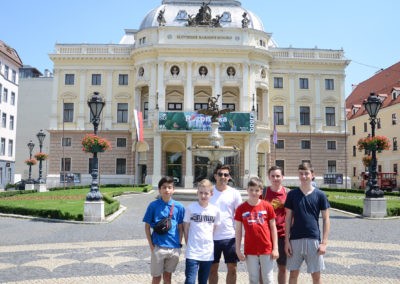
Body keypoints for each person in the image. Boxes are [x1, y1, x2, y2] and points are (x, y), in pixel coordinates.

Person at [284, 163, 330, 284]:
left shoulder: (320, 195)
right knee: (293, 274)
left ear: (312, 175)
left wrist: (324, 243)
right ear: (298, 175)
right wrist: (286, 241)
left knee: (316, 275)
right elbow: (288, 219)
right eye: (301, 173)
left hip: (313, 239)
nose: (304, 176)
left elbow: (326, 219)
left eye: (306, 173)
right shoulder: (292, 194)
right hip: (295, 240)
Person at [235, 177, 279, 284]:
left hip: (266, 248)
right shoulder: (241, 208)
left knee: (268, 278)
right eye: (251, 190)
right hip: (250, 249)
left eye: (256, 190)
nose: (254, 193)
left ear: (261, 191)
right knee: (253, 278)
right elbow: (238, 231)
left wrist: (275, 248)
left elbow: (273, 228)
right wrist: (237, 249)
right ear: (247, 190)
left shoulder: (267, 206)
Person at [143, 176, 185, 284]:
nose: (167, 190)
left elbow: (181, 227)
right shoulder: (153, 206)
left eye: (169, 187)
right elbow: (147, 227)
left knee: (168, 277)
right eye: (164, 187)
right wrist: (151, 246)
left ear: (173, 190)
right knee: (156, 278)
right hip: (158, 247)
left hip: (173, 248)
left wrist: (179, 244)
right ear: (159, 189)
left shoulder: (179, 207)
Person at [209, 164, 242, 284]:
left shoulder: (235, 193)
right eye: (220, 174)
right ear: (215, 176)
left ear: (229, 177)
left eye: (226, 174)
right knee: (212, 269)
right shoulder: (209, 192)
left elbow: (239, 216)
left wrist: (239, 236)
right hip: (211, 237)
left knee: (232, 269)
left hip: (230, 236)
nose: (223, 177)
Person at [183, 179, 221, 284]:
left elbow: (214, 228)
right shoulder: (190, 208)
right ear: (197, 193)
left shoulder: (215, 210)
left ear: (211, 194)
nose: (203, 196)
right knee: (190, 281)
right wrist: (188, 243)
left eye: (206, 193)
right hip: (192, 252)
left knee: (203, 281)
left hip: (207, 252)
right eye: (201, 193)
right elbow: (186, 228)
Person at [260, 166, 289, 284]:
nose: (275, 178)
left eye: (278, 176)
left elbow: (291, 215)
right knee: (263, 267)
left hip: (282, 234)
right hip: (265, 235)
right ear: (268, 177)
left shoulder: (288, 193)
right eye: (273, 176)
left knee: (282, 267)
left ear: (283, 177)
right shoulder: (264, 192)